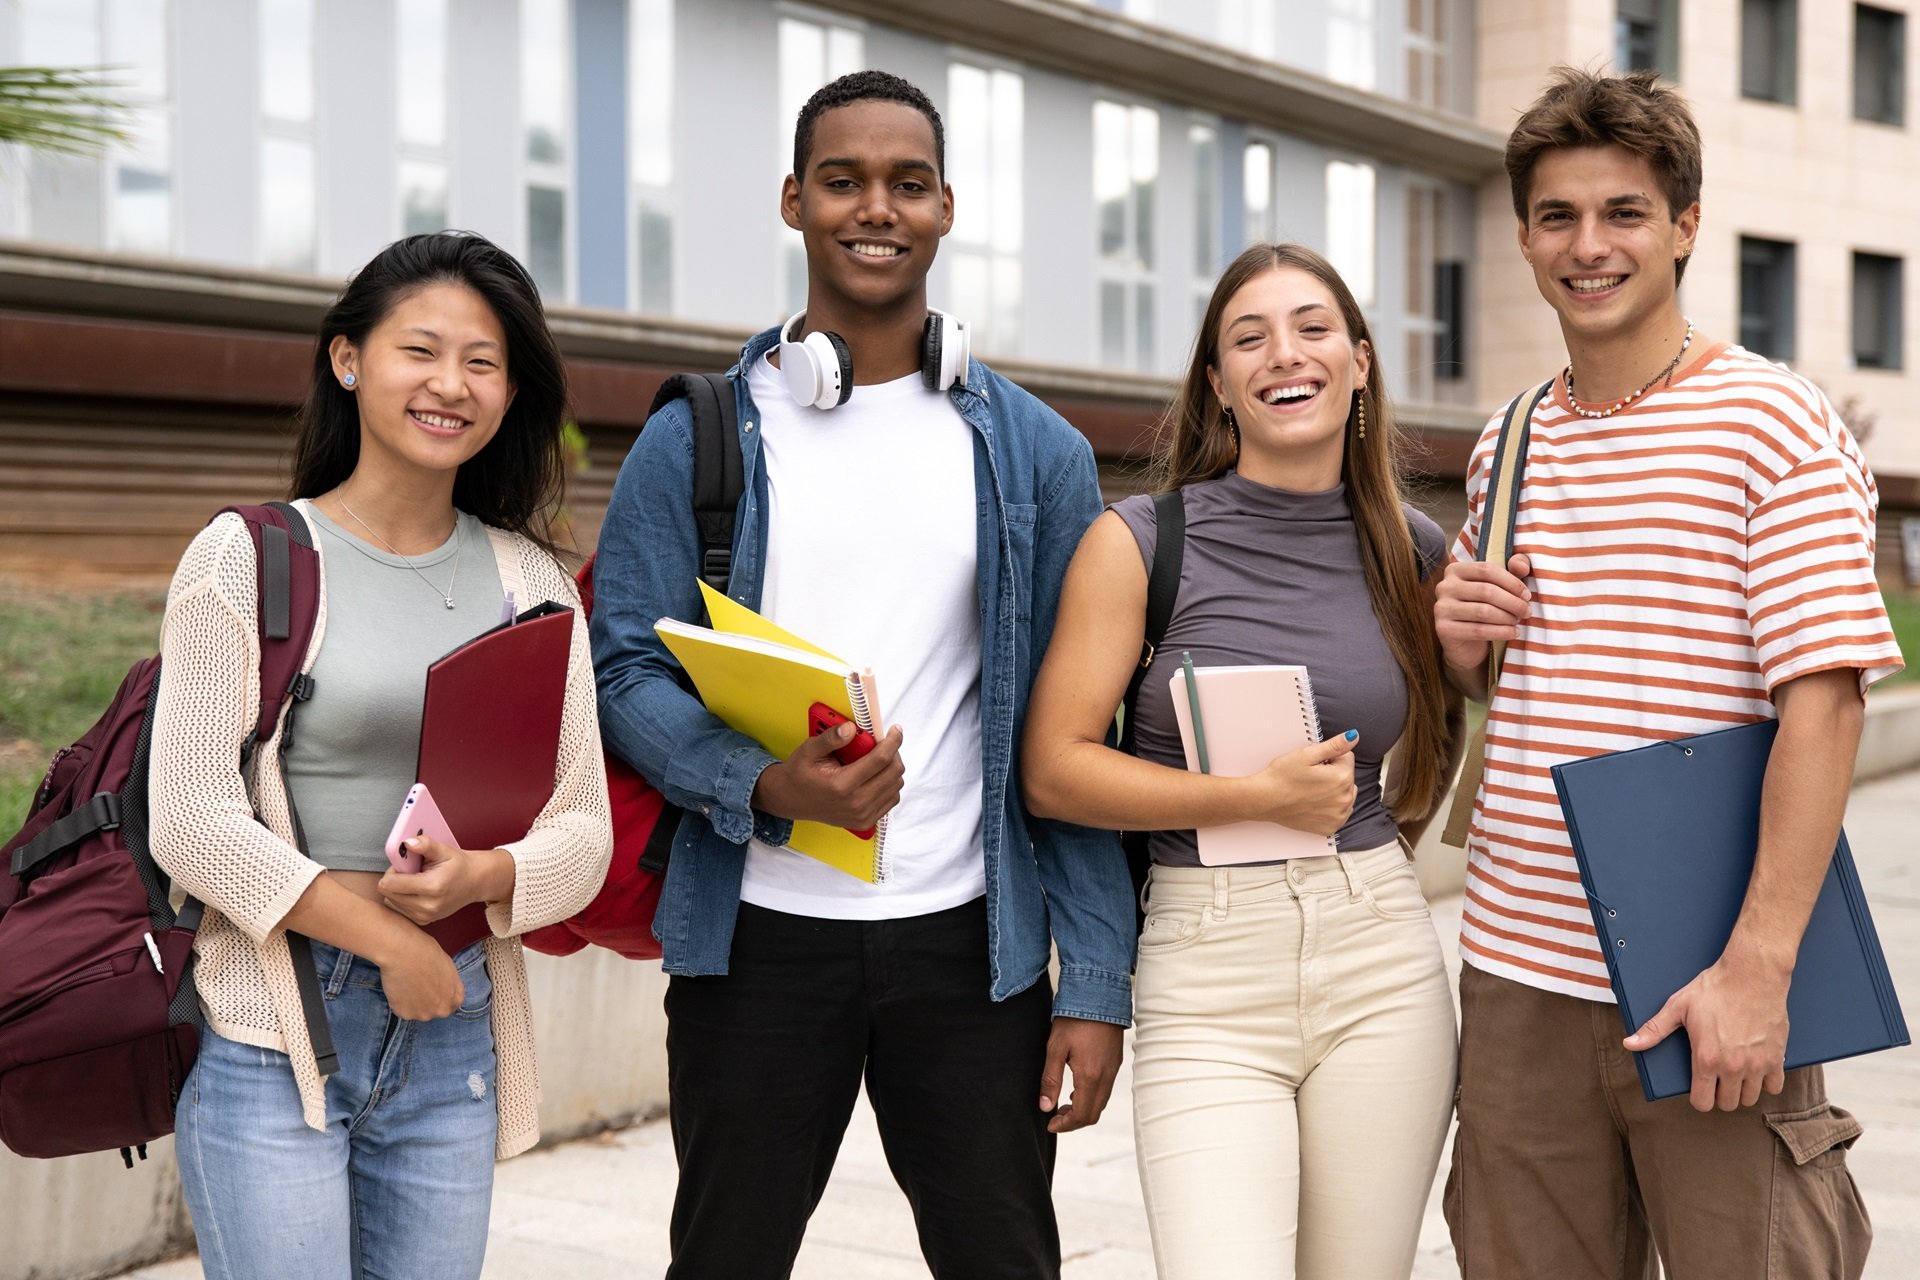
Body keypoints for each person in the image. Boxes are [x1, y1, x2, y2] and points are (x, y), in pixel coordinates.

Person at [589, 70, 1137, 1278]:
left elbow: (1074, 730)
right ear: (794, 200)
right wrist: (762, 784)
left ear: (947, 207)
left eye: (907, 182)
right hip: (758, 943)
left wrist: (1094, 982)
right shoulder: (698, 437)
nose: (873, 207)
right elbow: (624, 666)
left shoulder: (1037, 451)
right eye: (842, 180)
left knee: (1004, 1259)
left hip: (970, 949)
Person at [1435, 68, 1904, 1279]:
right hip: (1517, 975)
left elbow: (1828, 698)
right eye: (1557, 216)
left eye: (1624, 212)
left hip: (1706, 967)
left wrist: (1759, 967)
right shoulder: (1512, 436)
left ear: (1685, 226)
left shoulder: (1777, 423)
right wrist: (1462, 643)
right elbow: (1509, 685)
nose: (1589, 246)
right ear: (1527, 235)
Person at [149, 231, 613, 1280]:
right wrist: (385, 939)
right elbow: (190, 817)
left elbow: (582, 829)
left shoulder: (532, 582)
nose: (451, 383)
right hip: (273, 1020)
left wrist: (486, 877)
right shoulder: (251, 555)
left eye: (483, 361)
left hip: (452, 1026)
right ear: (348, 358)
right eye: (422, 349)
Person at [1021, 241, 1461, 1279]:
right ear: (1218, 383)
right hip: (1206, 967)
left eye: (1312, 328)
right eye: (1248, 337)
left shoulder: (1418, 547)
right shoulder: (1137, 540)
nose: (1284, 354)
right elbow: (1052, 766)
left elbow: (1446, 728)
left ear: (1358, 360)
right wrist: (1249, 796)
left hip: (1380, 958)